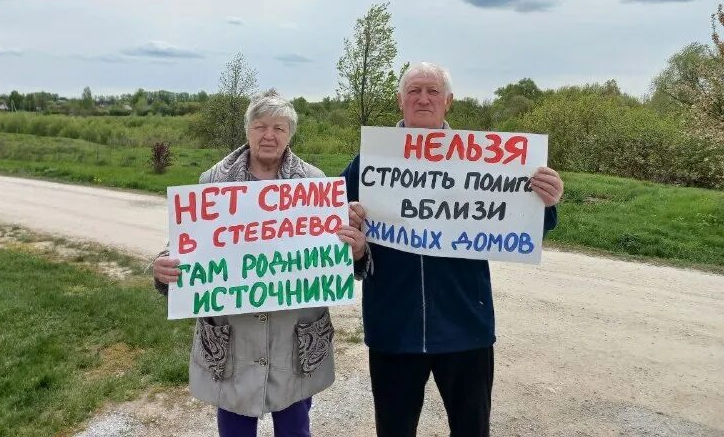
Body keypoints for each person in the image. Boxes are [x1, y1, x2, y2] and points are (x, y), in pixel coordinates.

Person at [342, 63, 564, 437]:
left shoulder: (486, 160)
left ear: (448, 102)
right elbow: (339, 241)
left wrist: (548, 200)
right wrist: (357, 250)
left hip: (465, 325)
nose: (423, 99)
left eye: (433, 91)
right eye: (414, 91)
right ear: (400, 100)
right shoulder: (369, 162)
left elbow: (526, 226)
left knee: (471, 429)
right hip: (393, 326)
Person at [154, 90, 366, 437]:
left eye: (279, 128)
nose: (269, 135)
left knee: (295, 426)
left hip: (294, 336)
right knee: (234, 425)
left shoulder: (315, 183)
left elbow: (334, 251)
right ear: (247, 130)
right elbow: (187, 243)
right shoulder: (213, 181)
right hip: (233, 336)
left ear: (290, 133)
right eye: (260, 126)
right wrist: (164, 267)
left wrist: (355, 252)